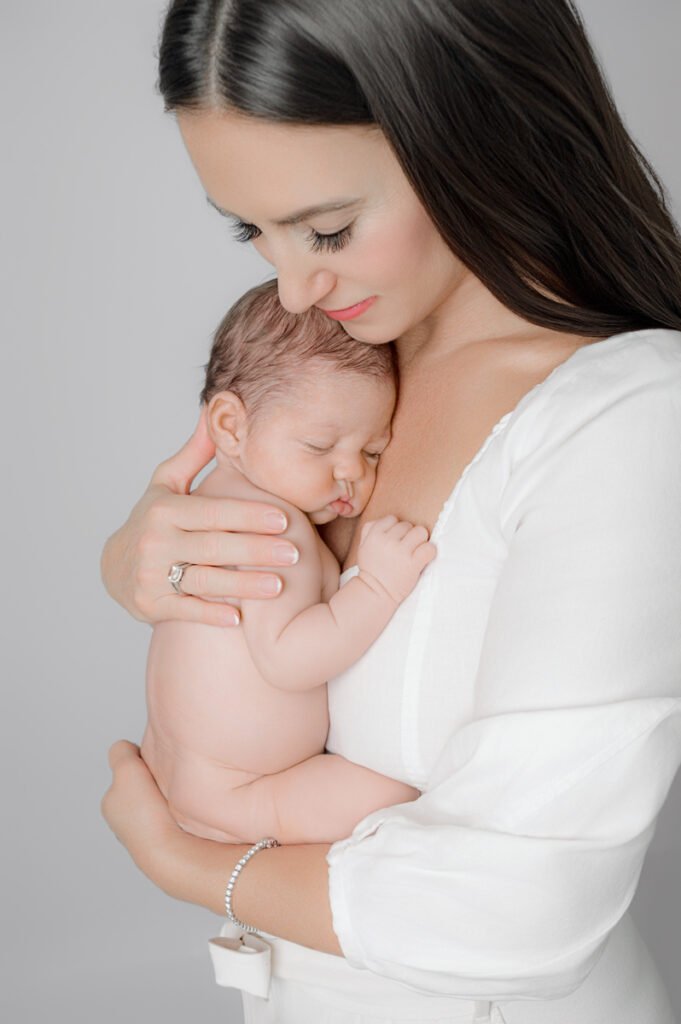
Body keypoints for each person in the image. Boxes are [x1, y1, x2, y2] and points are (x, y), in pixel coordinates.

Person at [100, 1, 681, 1021]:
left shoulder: (632, 418)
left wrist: (190, 861)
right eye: (255, 230)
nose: (290, 287)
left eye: (326, 227)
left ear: (472, 132)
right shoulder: (348, 374)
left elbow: (521, 910)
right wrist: (139, 556)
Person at [142, 278, 432, 846]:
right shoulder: (270, 526)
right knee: (400, 798)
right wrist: (377, 586)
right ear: (231, 426)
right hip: (250, 793)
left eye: (371, 451)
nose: (349, 471)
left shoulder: (210, 504)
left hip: (180, 773)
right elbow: (290, 659)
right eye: (320, 447)